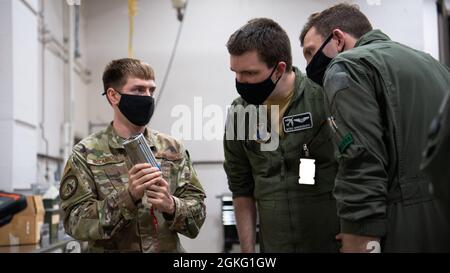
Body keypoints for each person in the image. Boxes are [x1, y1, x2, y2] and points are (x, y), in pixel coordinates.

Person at [300, 3, 450, 252]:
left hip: (400, 230)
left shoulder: (346, 67)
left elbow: (360, 164)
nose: (308, 65)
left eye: (311, 52)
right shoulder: (434, 65)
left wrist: (357, 237)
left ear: (337, 39)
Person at [60, 58, 206, 253]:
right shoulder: (85, 154)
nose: (147, 97)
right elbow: (75, 222)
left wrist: (171, 205)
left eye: (151, 90)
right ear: (113, 95)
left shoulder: (172, 149)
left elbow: (198, 212)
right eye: (138, 90)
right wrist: (128, 197)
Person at [224, 18, 339, 253]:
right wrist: (247, 252)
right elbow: (241, 188)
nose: (240, 81)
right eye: (235, 72)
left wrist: (356, 234)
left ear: (279, 69)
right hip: (275, 245)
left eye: (249, 73)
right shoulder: (240, 112)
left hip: (329, 242)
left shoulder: (325, 97)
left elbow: (358, 169)